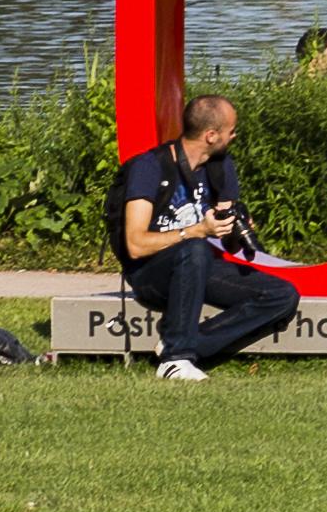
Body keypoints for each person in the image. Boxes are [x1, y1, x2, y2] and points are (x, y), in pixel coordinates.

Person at [116, 92, 294, 380]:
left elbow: (226, 243)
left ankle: (188, 341)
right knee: (196, 248)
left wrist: (233, 229)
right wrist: (197, 231)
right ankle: (175, 360)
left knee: (281, 295)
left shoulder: (220, 166)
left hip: (197, 265)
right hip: (151, 272)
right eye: (231, 130)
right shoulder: (149, 167)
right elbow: (135, 245)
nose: (235, 136)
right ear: (211, 135)